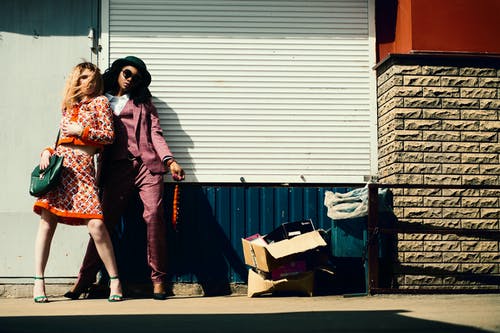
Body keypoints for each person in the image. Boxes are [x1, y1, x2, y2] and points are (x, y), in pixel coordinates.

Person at [65, 56, 185, 301]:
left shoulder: (144, 103)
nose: (131, 80)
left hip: (147, 166)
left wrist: (169, 160)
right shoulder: (99, 101)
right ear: (118, 72)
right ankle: (84, 280)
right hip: (115, 168)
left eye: (137, 78)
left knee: (153, 217)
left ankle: (159, 281)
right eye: (127, 74)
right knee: (102, 223)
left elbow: (156, 134)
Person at [33, 62, 123, 303]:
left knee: (96, 226)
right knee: (46, 223)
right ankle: (38, 282)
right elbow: (60, 137)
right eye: (83, 77)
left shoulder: (100, 102)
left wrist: (82, 130)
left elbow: (108, 136)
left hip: (82, 171)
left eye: (92, 78)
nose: (89, 82)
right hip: (61, 167)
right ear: (75, 80)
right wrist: (47, 150)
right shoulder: (69, 105)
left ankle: (115, 281)